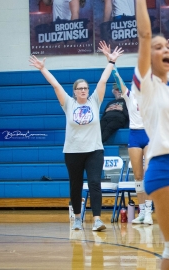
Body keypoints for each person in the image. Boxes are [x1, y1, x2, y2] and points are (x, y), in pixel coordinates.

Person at [29, 45, 123, 231]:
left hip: (94, 150)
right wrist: (42, 69)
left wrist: (111, 61)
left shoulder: (95, 100)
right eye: (80, 88)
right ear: (74, 91)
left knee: (95, 183)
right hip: (72, 151)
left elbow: (103, 81)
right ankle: (78, 218)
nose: (83, 90)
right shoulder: (68, 103)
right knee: (76, 184)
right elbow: (56, 85)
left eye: (85, 88)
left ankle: (97, 219)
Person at [98, 40, 153, 225]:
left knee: (149, 174)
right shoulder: (129, 96)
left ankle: (150, 211)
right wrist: (110, 60)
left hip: (151, 137)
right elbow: (117, 78)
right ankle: (142, 211)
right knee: (138, 176)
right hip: (135, 136)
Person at [132, 0, 169, 268]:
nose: (164, 49)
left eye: (167, 46)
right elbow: (144, 35)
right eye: (158, 47)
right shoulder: (146, 85)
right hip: (163, 166)